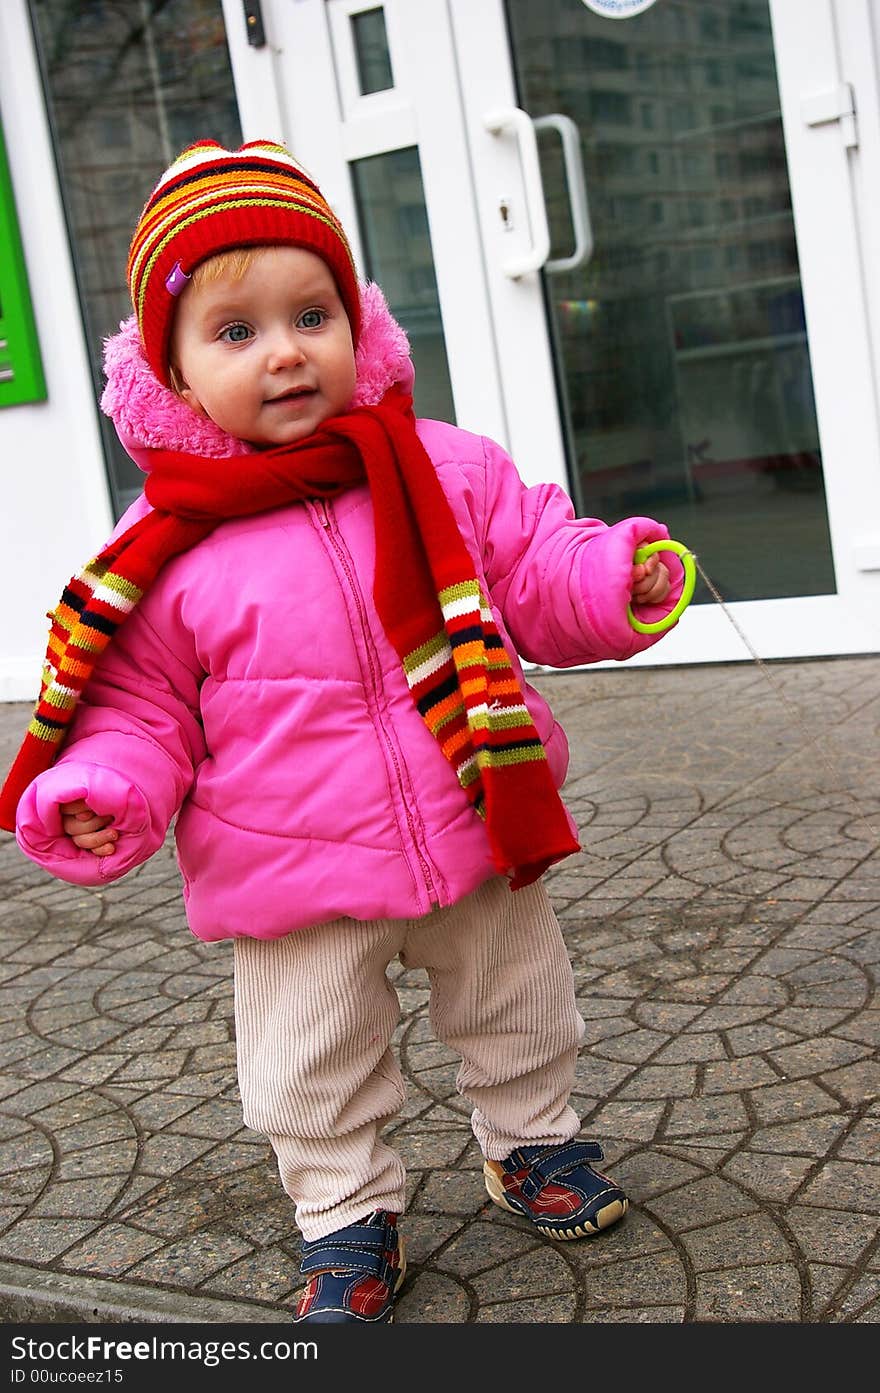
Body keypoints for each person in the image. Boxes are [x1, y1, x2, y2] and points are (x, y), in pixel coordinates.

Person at [0, 140, 684, 1324]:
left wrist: (606, 578)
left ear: (355, 325)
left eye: (309, 313)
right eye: (235, 331)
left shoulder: (444, 469)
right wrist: (107, 778)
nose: (282, 351)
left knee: (522, 1008)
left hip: (472, 822)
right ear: (166, 372)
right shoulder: (167, 547)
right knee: (307, 1066)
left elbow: (533, 561)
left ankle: (531, 1142)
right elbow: (139, 702)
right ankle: (345, 1214)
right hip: (293, 868)